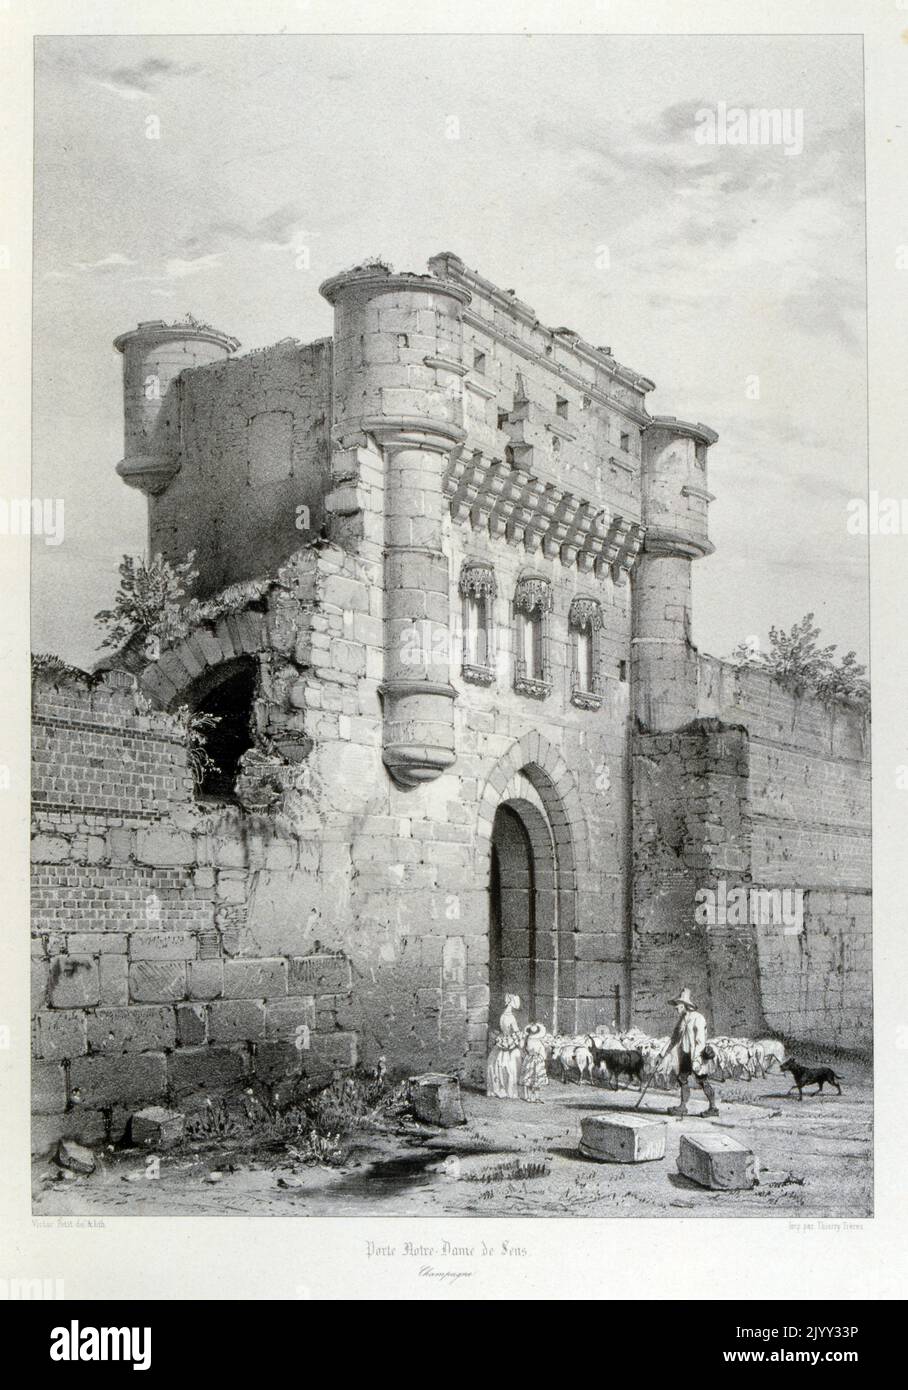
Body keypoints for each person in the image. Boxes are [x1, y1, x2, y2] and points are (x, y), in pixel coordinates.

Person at [666, 987, 719, 1117]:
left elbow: (700, 1040)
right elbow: (674, 1038)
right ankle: (682, 1107)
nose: (676, 1008)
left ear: (684, 1005)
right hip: (685, 1054)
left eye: (678, 1005)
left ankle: (713, 1108)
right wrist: (664, 1053)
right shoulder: (682, 1020)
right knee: (682, 1078)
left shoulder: (698, 1018)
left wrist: (697, 1060)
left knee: (702, 1081)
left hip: (697, 1055)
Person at [485, 993, 523, 1098]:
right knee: (512, 1064)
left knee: (497, 1063)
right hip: (508, 1041)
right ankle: (508, 1090)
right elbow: (515, 1032)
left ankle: (500, 1088)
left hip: (503, 1039)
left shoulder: (503, 1015)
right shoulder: (511, 1017)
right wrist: (521, 1035)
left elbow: (503, 1030)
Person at [518, 1023, 549, 1102]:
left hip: (533, 1060)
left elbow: (541, 1050)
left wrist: (540, 1057)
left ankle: (534, 1097)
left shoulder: (532, 1039)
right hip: (533, 1060)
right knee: (531, 1078)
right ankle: (531, 1097)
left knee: (534, 1079)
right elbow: (523, 1048)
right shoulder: (531, 1040)